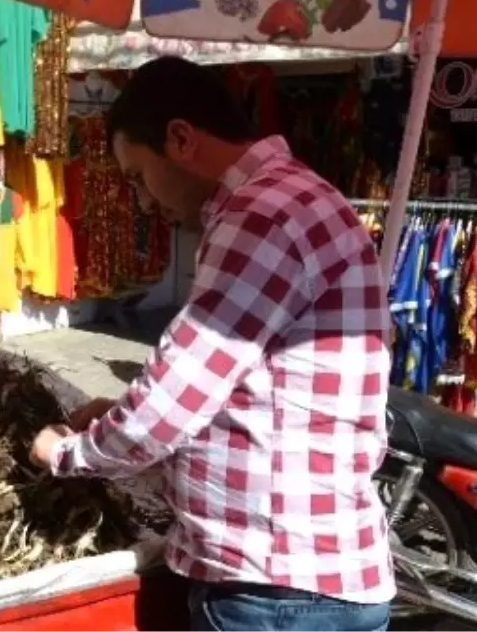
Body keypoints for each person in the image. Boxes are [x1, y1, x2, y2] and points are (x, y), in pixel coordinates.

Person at [28, 57, 394, 631]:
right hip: (305, 581)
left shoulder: (263, 214)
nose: (145, 202)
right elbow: (244, 389)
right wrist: (118, 417)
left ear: (180, 139)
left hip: (275, 589)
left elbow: (175, 396)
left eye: (137, 176)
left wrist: (67, 453)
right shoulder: (296, 198)